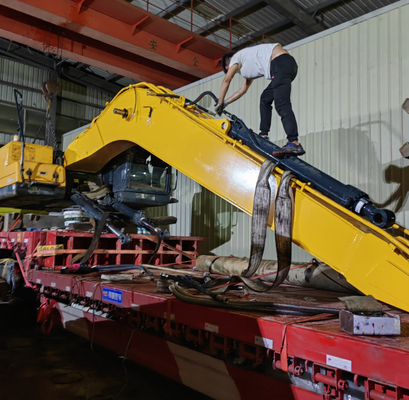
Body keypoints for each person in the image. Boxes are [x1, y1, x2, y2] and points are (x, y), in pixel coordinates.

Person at [216, 43, 305, 157]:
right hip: (287, 65)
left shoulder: (235, 58)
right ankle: (264, 135)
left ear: (229, 62)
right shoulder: (247, 63)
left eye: (228, 69)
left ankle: (294, 142)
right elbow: (242, 90)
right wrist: (224, 103)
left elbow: (227, 80)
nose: (232, 71)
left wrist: (219, 102)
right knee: (265, 99)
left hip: (280, 63)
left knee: (282, 104)